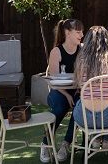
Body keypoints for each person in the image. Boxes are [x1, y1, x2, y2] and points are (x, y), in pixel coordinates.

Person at [73, 26, 108, 149]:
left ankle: (95, 137)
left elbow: (80, 84)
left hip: (85, 118)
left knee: (83, 102)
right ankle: (106, 138)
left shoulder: (81, 59)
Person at [40, 19, 84, 163]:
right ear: (67, 33)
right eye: (78, 32)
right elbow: (53, 82)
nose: (82, 35)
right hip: (59, 91)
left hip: (76, 91)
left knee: (81, 107)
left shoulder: (82, 50)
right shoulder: (56, 51)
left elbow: (84, 76)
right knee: (60, 106)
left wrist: (76, 93)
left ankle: (66, 144)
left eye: (82, 32)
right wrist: (66, 94)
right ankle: (46, 143)